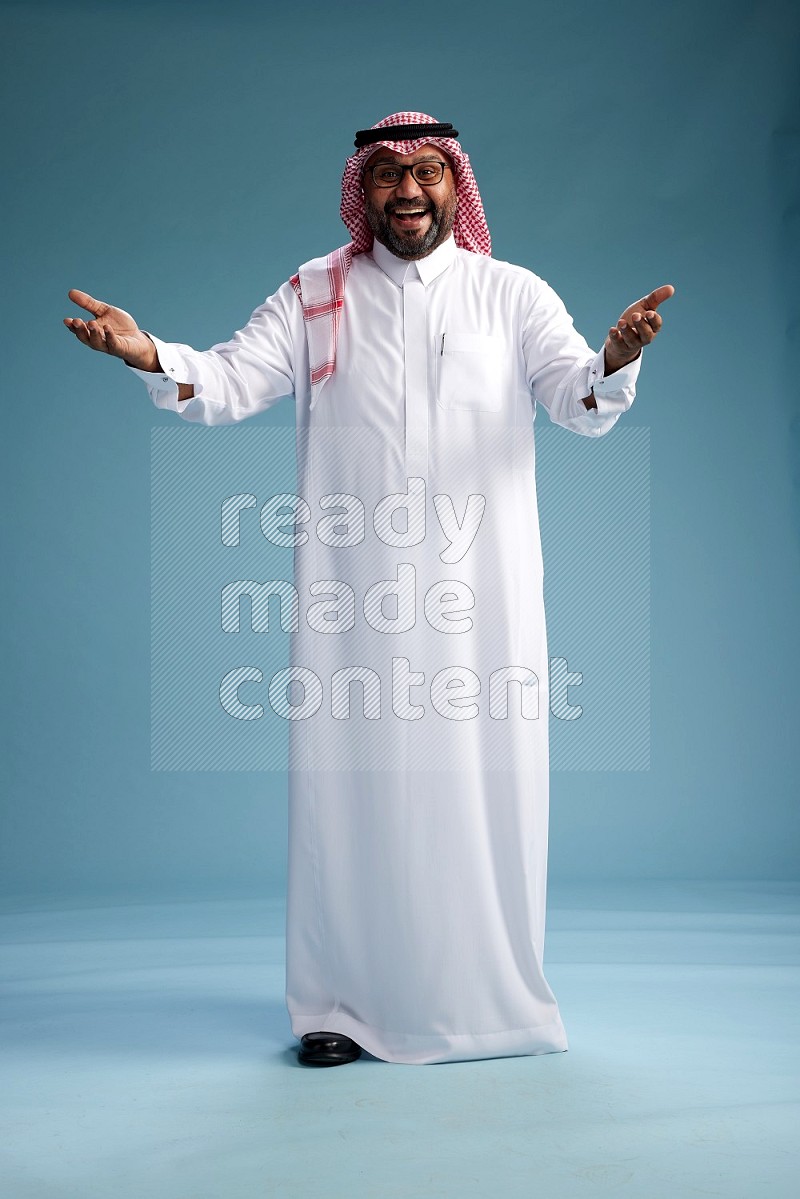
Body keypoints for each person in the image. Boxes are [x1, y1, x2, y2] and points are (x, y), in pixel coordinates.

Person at [64, 111, 673, 1068]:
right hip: (352, 603)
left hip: (483, 599)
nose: (408, 191)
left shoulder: (509, 294)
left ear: (454, 184)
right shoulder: (316, 293)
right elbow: (224, 382)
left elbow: (576, 397)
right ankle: (340, 1007)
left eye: (428, 172)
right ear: (364, 188)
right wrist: (150, 356)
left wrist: (618, 357)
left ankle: (492, 1006)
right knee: (352, 798)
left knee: (484, 792)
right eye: (388, 174)